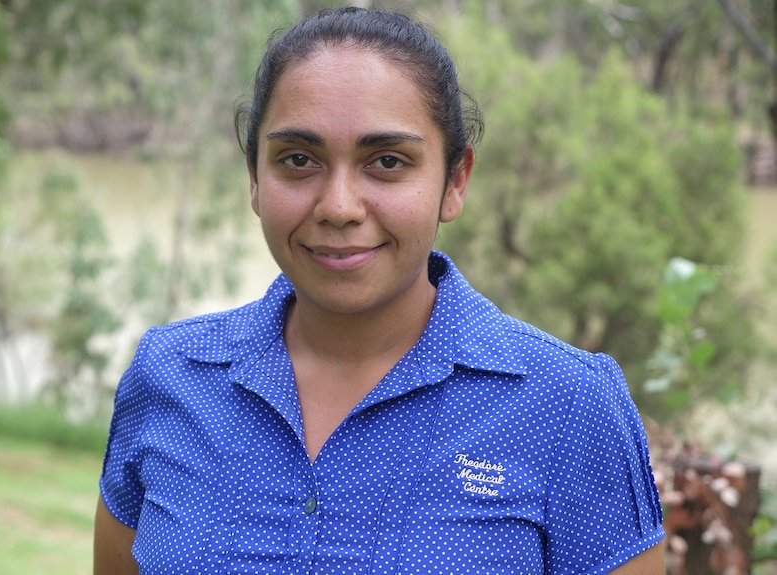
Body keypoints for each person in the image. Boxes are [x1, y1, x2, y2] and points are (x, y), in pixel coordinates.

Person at [94, 6, 665, 574]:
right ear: (254, 178)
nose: (339, 207)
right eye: (298, 159)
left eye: (387, 161)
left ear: (454, 181)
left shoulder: (567, 408)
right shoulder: (169, 376)